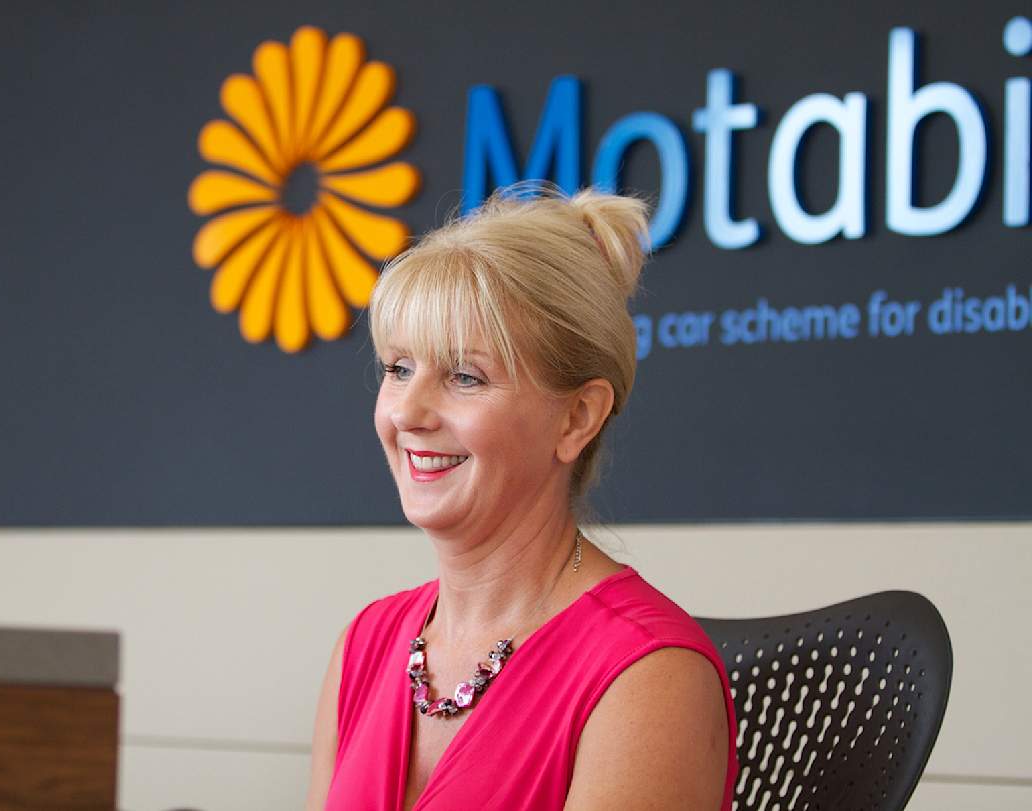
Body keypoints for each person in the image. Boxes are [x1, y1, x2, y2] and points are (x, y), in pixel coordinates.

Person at [306, 182, 738, 810]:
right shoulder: (364, 645)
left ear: (576, 419)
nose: (409, 412)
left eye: (464, 375)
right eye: (399, 368)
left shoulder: (649, 676)